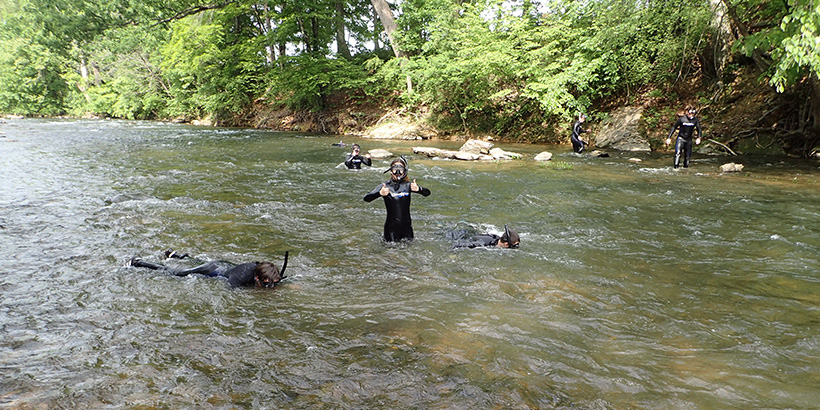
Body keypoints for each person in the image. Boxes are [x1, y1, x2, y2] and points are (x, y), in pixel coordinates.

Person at [127, 250, 289, 288]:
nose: (270, 287)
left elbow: (277, 278)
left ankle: (176, 255)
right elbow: (229, 289)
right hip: (214, 270)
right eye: (267, 284)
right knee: (178, 274)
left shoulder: (265, 271)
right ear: (257, 278)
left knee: (196, 261)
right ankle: (138, 263)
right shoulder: (240, 278)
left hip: (224, 263)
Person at [363, 157, 431, 242]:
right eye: (395, 169)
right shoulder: (385, 186)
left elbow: (428, 193)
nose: (398, 172)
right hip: (391, 229)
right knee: (391, 253)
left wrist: (419, 189)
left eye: (400, 169)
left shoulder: (409, 185)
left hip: (407, 228)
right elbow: (366, 198)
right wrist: (379, 193)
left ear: (404, 172)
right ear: (391, 171)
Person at [453, 225, 520, 249]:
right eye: (515, 245)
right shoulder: (484, 243)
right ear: (506, 244)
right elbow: (457, 245)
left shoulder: (497, 239)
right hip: (458, 236)